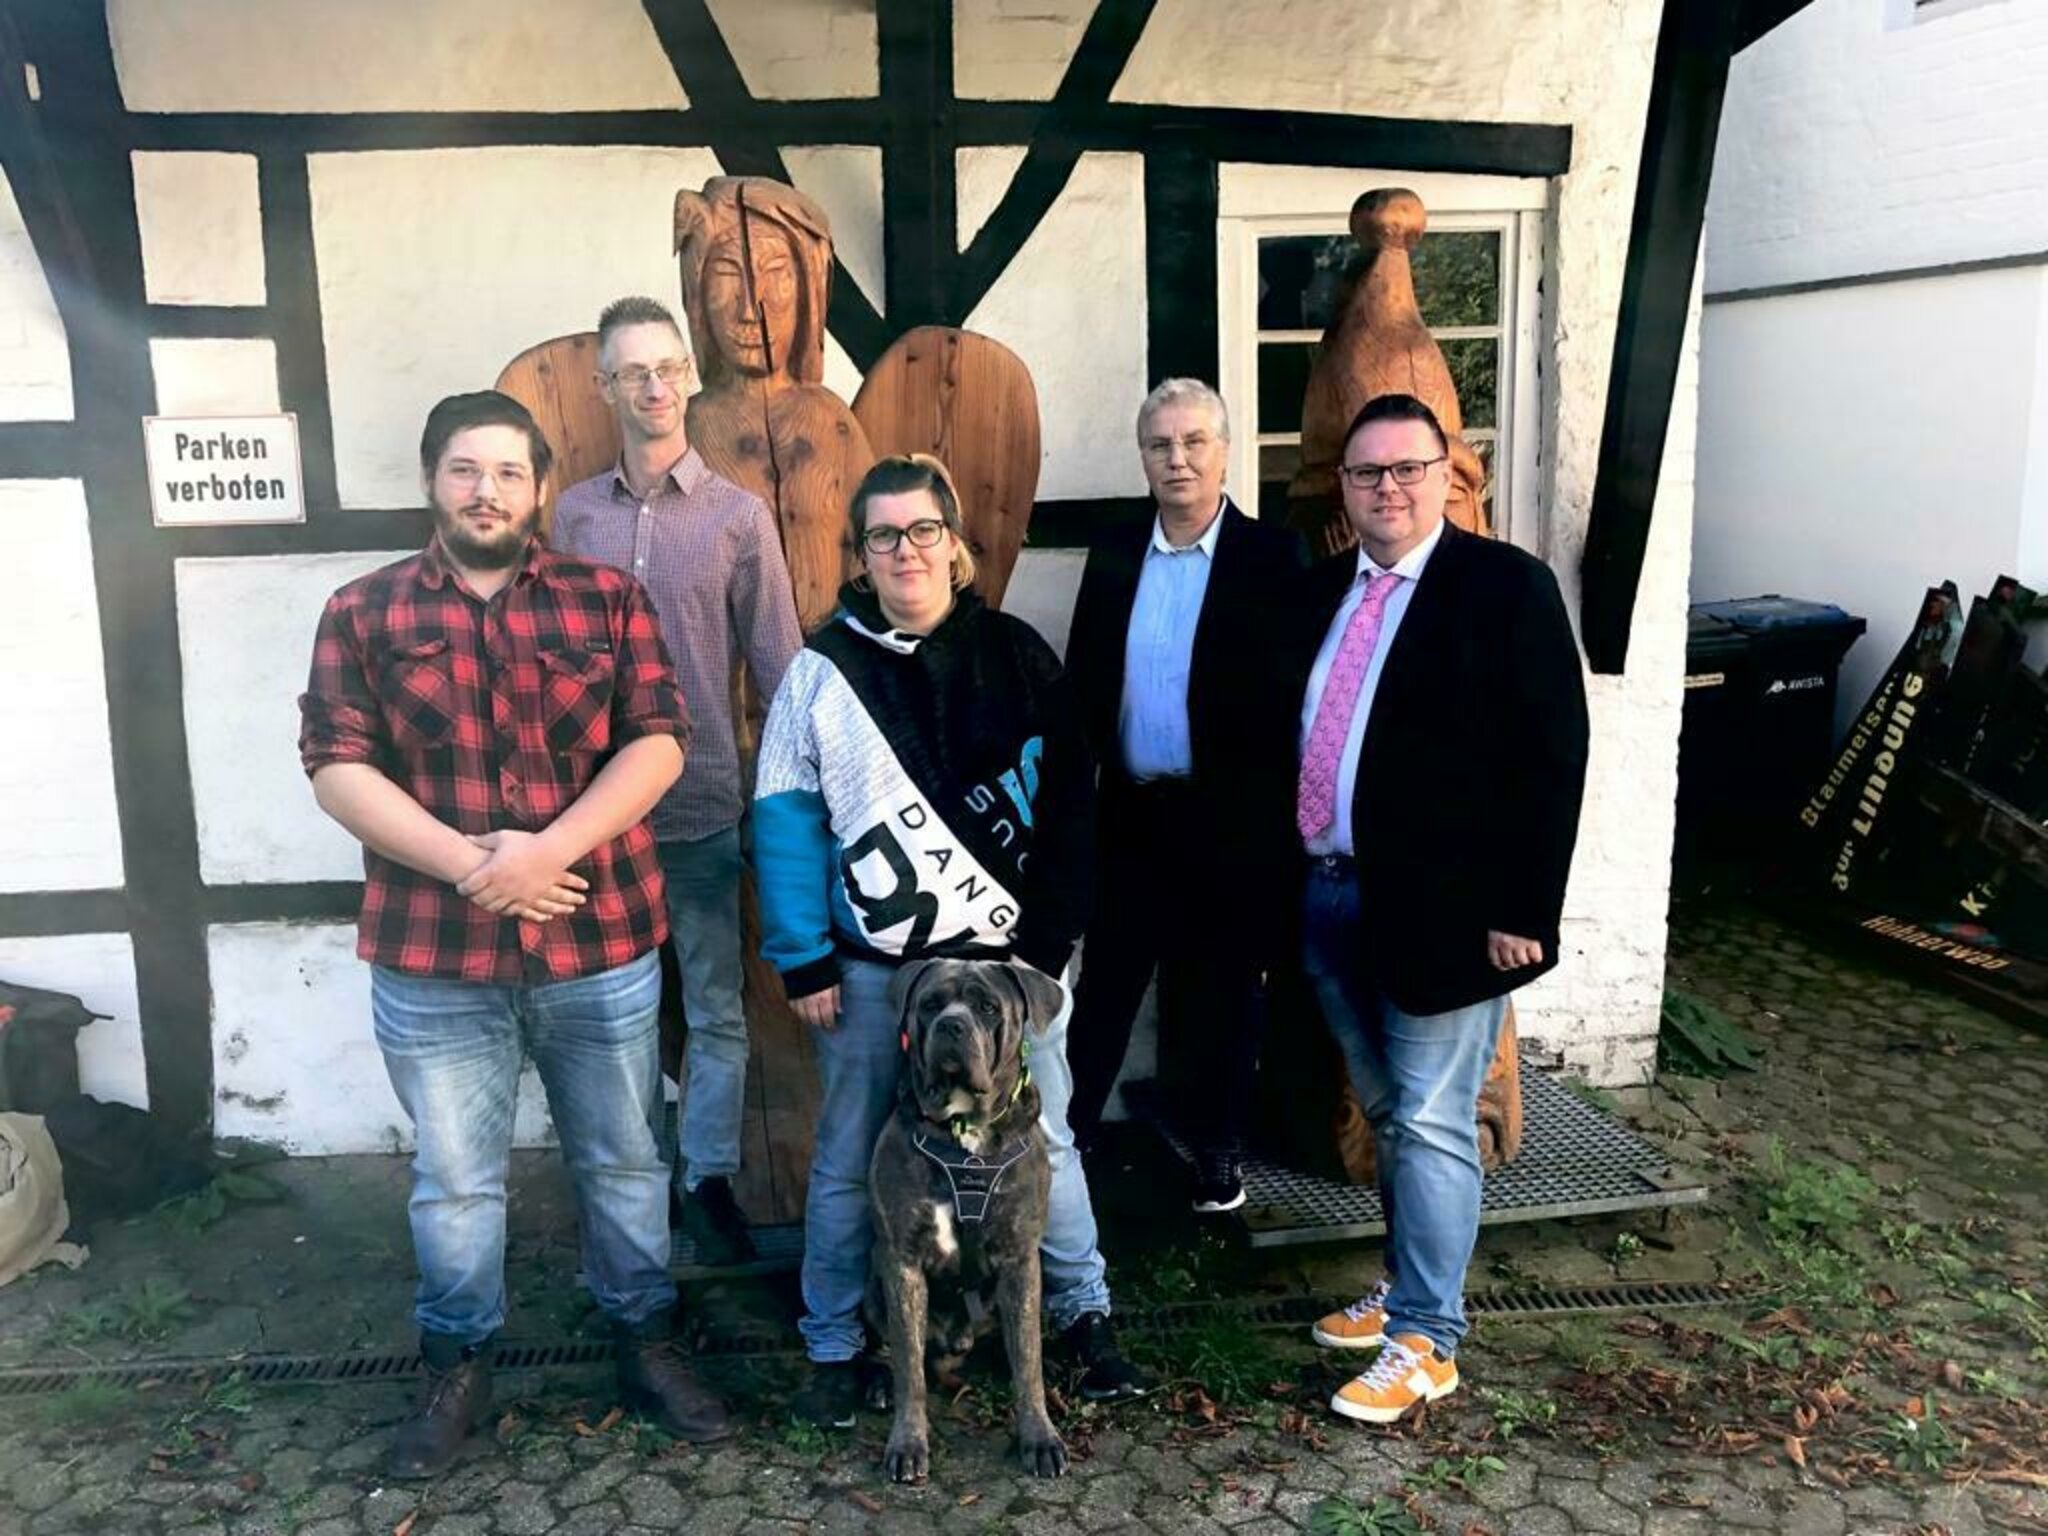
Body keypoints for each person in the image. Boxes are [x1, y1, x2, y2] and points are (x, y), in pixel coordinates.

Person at [298, 391, 730, 1476]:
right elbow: (336, 765)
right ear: (430, 480)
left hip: (600, 943)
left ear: (539, 488)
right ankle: (458, 1363)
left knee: (625, 1160)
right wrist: (475, 868)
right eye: (463, 469)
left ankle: (644, 1340)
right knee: (454, 1179)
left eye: (505, 471)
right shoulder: (361, 611)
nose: (484, 490)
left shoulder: (609, 600)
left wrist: (549, 853)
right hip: (433, 958)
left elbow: (659, 740)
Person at [752, 454, 1156, 1428]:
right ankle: (832, 1343)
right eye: (883, 535)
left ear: (954, 542)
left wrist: (1046, 950)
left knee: (1045, 1142)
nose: (906, 550)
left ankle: (1083, 1314)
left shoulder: (1017, 656)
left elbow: (1071, 810)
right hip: (872, 973)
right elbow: (784, 817)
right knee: (849, 1153)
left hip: (1007, 972)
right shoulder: (819, 673)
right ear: (860, 554)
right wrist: (802, 955)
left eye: (922, 529)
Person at [1297, 394, 1588, 1423]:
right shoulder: (1322, 593)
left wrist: (1524, 908)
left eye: (1406, 469)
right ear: (1343, 489)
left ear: (1447, 475)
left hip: (1453, 914)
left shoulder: (1503, 588)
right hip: (1327, 895)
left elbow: (1551, 755)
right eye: (1366, 472)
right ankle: (1403, 1288)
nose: (1387, 488)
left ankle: (1427, 1340)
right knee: (1389, 1113)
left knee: (1429, 1118)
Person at [553, 295, 804, 1265]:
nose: (653, 386)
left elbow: (780, 671)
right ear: (604, 387)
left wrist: (789, 811)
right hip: (591, 819)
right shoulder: (573, 515)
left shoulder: (739, 518)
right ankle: (626, 1185)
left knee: (714, 1009)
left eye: (666, 367)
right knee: (604, 1015)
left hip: (700, 805)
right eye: (632, 372)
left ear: (690, 375)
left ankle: (705, 1181)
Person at [1063, 378, 1306, 1211]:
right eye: (1161, 445)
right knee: (1107, 983)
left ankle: (1217, 1150)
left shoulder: (1271, 558)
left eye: (1195, 441)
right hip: (1131, 811)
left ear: (1224, 452)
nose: (1178, 459)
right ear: (1144, 457)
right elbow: (1086, 682)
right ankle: (1070, 1138)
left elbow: (1292, 704)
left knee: (1225, 989)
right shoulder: (1116, 551)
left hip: (1228, 818)